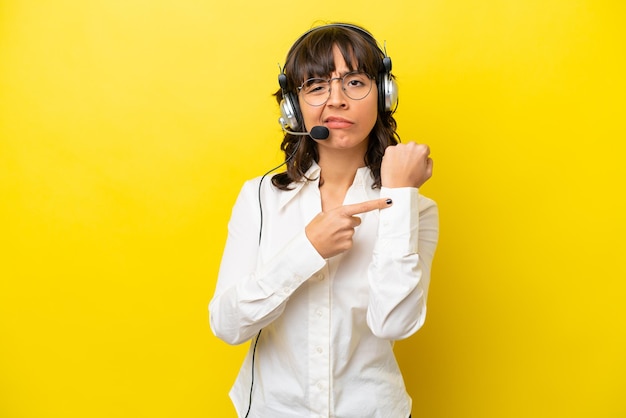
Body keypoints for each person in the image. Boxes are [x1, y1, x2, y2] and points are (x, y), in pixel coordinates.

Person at [209, 22, 438, 418]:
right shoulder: (260, 197)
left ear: (384, 94)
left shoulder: (416, 208)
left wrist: (400, 197)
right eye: (316, 85)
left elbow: (394, 323)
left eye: (354, 82)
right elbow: (228, 325)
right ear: (293, 106)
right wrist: (306, 250)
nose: (336, 100)